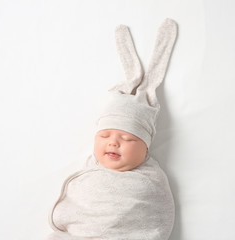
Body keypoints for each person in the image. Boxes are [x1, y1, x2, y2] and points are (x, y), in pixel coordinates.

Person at [46, 18, 178, 240]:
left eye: (127, 138)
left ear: (146, 149)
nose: (113, 142)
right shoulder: (91, 170)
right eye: (105, 135)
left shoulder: (150, 184)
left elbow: (157, 221)